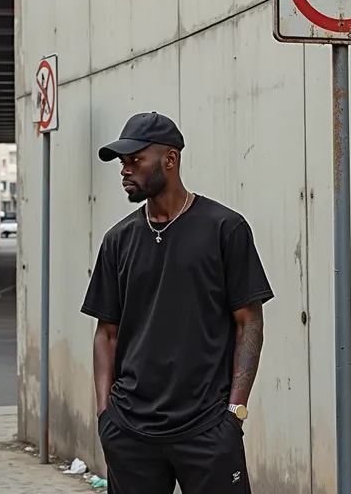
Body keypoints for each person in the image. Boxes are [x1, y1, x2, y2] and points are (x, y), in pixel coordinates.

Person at [81, 111, 274, 494]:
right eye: (122, 162)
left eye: (136, 160)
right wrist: (105, 414)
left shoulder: (225, 229)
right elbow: (106, 333)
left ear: (170, 160)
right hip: (130, 431)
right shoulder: (118, 240)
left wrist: (235, 412)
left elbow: (249, 322)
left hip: (207, 428)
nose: (125, 170)